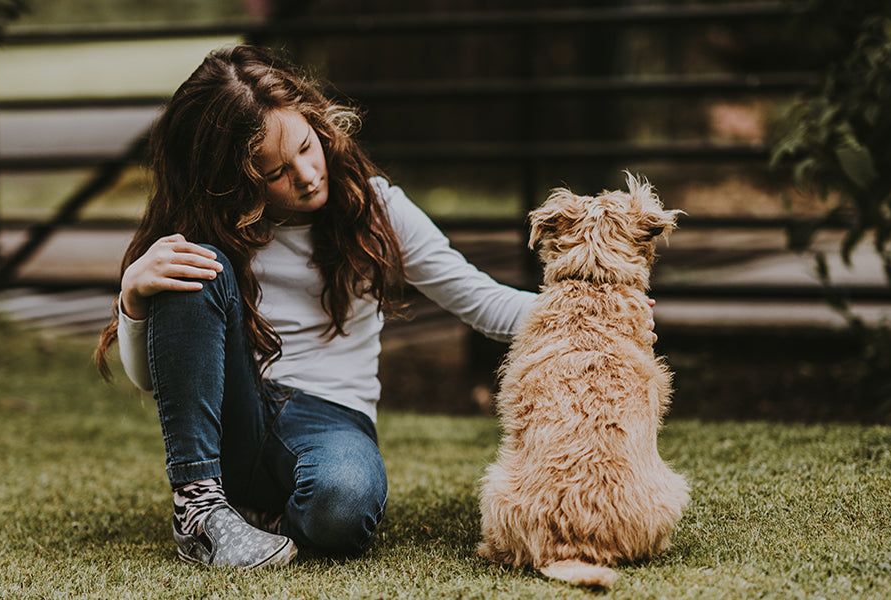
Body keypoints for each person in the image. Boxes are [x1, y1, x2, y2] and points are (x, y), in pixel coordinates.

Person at [93, 44, 656, 569]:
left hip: (331, 416)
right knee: (194, 263)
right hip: (233, 416)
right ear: (229, 182)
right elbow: (153, 384)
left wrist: (597, 318)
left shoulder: (375, 207)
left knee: (342, 510)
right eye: (274, 172)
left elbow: (479, 300)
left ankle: (258, 521)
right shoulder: (199, 237)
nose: (307, 175)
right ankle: (200, 510)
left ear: (316, 122)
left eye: (306, 148)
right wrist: (135, 299)